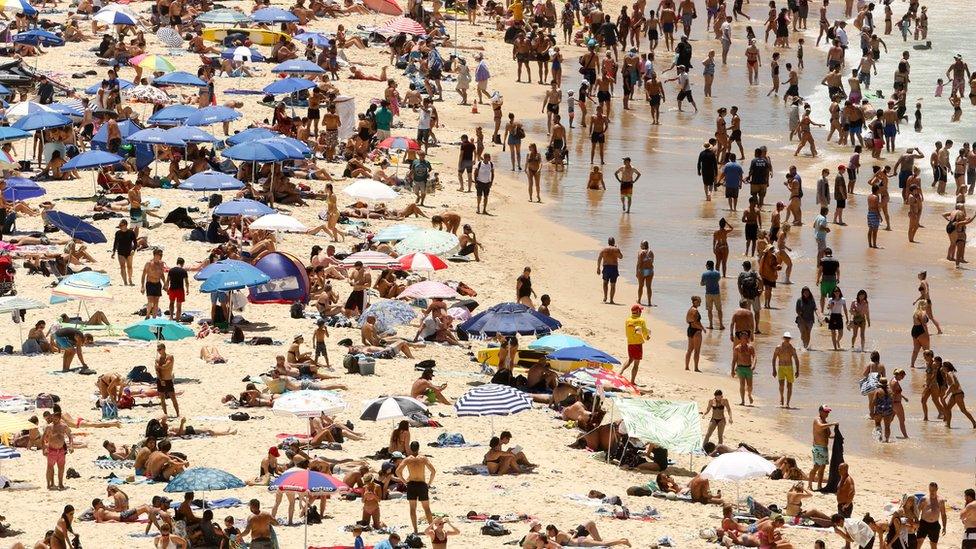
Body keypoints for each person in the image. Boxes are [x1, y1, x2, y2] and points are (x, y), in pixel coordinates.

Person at [395, 441, 436, 534]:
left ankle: (415, 530)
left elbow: (398, 471)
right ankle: (431, 528)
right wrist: (429, 483)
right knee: (427, 508)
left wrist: (404, 481)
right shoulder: (423, 458)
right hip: (422, 484)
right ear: (418, 448)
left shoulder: (407, 459)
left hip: (411, 484)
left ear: (410, 448)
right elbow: (433, 471)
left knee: (412, 508)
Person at [42, 405, 73, 491]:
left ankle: (60, 483)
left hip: (61, 450)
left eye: (56, 419)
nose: (54, 421)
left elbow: (70, 436)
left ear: (59, 418)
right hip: (51, 450)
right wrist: (44, 449)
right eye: (53, 419)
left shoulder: (64, 426)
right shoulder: (49, 427)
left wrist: (71, 446)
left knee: (61, 468)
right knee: (50, 468)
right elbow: (43, 438)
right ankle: (49, 484)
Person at [809, 405, 837, 491]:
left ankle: (819, 486)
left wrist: (836, 437)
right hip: (818, 447)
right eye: (825, 411)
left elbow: (828, 436)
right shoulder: (817, 420)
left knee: (822, 468)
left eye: (828, 412)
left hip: (824, 448)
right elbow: (820, 426)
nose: (827, 413)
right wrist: (832, 424)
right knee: (816, 466)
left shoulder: (826, 423)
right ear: (820, 411)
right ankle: (809, 485)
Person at [620, 304, 650, 384]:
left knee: (630, 359)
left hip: (630, 343)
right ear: (637, 311)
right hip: (637, 344)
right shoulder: (641, 320)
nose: (641, 312)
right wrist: (647, 337)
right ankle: (632, 381)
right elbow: (644, 332)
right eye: (640, 310)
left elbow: (628, 332)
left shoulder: (628, 320)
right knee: (636, 364)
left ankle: (621, 372)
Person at [772, 332, 800, 408]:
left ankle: (787, 402)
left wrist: (798, 370)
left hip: (789, 368)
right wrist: (774, 370)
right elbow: (774, 359)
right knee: (781, 385)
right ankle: (781, 397)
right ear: (783, 338)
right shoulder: (778, 347)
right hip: (781, 367)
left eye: (788, 338)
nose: (787, 339)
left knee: (789, 386)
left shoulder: (792, 348)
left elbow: (796, 360)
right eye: (786, 338)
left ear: (790, 339)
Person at [918, 482, 947, 548]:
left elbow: (943, 514)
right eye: (930, 490)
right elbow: (917, 512)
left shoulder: (941, 501)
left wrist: (944, 527)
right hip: (923, 523)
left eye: (933, 490)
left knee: (933, 545)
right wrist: (916, 523)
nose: (931, 492)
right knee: (919, 543)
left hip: (934, 525)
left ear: (937, 489)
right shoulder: (924, 499)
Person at [730, 330, 755, 405]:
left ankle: (749, 395)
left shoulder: (750, 347)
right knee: (742, 385)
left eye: (746, 337)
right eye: (743, 337)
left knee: (750, 386)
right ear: (740, 338)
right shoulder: (737, 348)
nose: (745, 339)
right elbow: (734, 360)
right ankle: (743, 401)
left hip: (748, 368)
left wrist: (753, 365)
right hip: (740, 368)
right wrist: (732, 370)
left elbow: (755, 357)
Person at [141, 248, 167, 319]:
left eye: (161, 255)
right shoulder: (149, 263)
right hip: (150, 283)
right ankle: (147, 315)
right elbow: (143, 275)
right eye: (159, 255)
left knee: (156, 302)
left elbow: (162, 275)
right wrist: (142, 286)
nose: (160, 256)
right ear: (155, 255)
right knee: (150, 301)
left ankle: (154, 317)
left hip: (158, 284)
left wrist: (165, 283)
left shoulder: (161, 264)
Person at [155, 343, 180, 417]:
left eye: (160, 349)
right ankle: (165, 414)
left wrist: (158, 366)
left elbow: (166, 366)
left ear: (164, 349)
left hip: (168, 379)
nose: (158, 351)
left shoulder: (170, 357)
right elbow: (157, 371)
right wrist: (160, 379)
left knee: (173, 397)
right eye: (157, 349)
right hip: (160, 380)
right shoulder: (157, 359)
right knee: (162, 398)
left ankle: (178, 414)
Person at [597, 237, 623, 304]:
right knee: (613, 285)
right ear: (614, 242)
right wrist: (617, 248)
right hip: (614, 268)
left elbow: (599, 258)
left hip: (606, 268)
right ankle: (611, 300)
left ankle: (605, 297)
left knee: (605, 283)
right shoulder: (616, 249)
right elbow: (621, 257)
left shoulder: (604, 249)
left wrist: (598, 268)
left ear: (608, 242)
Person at [111, 220, 137, 286]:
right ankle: (125, 282)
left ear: (126, 225)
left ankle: (130, 279)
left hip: (129, 252)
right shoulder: (118, 233)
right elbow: (115, 243)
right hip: (120, 252)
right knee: (122, 267)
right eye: (119, 225)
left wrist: (133, 249)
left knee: (129, 267)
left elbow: (135, 243)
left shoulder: (131, 232)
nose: (120, 227)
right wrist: (113, 251)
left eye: (121, 225)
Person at [701, 260, 723, 329]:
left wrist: (706, 283)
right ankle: (721, 325)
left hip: (708, 293)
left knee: (709, 310)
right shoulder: (717, 273)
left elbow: (701, 283)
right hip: (716, 293)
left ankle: (711, 325)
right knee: (719, 310)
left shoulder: (704, 274)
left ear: (707, 265)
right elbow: (718, 280)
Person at [685, 296, 705, 371]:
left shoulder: (690, 310)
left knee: (689, 349)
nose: (700, 302)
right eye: (699, 301)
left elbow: (687, 320)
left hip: (690, 329)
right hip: (696, 331)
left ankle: (687, 366)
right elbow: (696, 322)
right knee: (697, 350)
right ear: (695, 301)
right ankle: (696, 368)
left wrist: (700, 326)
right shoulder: (695, 310)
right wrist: (701, 328)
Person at [636, 240, 654, 306]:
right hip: (650, 270)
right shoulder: (651, 252)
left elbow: (638, 263)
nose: (640, 246)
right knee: (649, 286)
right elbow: (652, 261)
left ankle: (639, 300)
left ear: (643, 245)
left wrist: (637, 272)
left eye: (641, 244)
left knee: (641, 286)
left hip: (642, 270)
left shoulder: (640, 252)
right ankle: (649, 302)